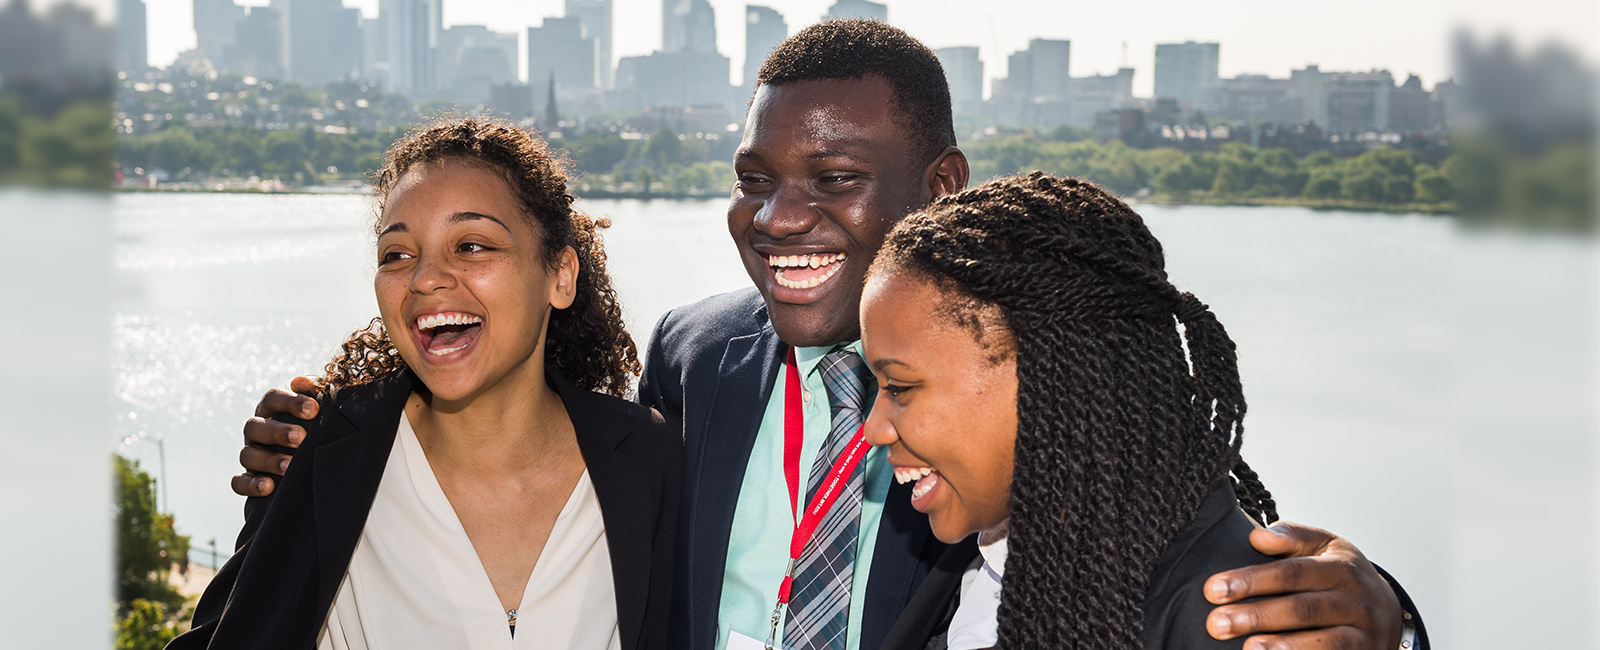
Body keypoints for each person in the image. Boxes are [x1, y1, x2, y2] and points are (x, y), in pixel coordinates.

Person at [232, 20, 1419, 650]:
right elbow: (542, 452)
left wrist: (1384, 614)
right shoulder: (694, 356)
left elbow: (1170, 533)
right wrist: (331, 433)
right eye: (754, 177)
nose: (777, 215)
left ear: (942, 182)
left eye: (834, 175)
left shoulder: (1032, 410)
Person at [172, 118, 679, 649]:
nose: (424, 278)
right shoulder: (317, 459)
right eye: (397, 254)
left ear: (560, 275)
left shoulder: (648, 459)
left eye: (472, 246)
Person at [865, 173, 1428, 649]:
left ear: (1057, 378)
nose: (873, 428)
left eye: (901, 387)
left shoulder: (1233, 619)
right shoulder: (975, 557)